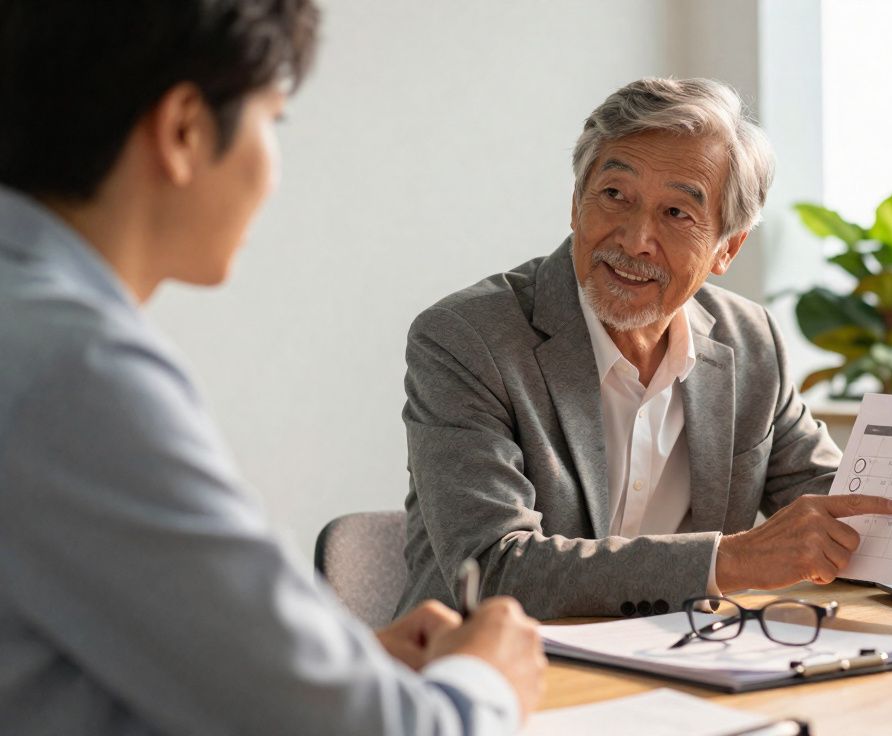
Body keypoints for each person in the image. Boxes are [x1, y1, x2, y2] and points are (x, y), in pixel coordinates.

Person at [0, 2, 543, 734]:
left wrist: (338, 662)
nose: (276, 170)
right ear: (185, 128)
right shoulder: (77, 370)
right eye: (274, 119)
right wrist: (486, 679)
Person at [396, 77, 892, 621]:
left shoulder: (751, 343)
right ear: (575, 203)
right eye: (613, 196)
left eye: (676, 212)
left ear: (727, 248)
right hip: (486, 683)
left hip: (686, 668)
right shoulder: (467, 338)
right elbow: (494, 570)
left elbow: (846, 519)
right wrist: (734, 559)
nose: (636, 238)